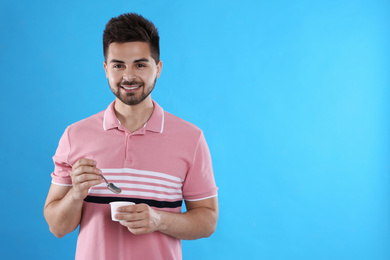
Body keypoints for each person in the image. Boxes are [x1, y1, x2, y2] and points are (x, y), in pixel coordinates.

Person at [43, 13, 218, 260]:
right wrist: (76, 194)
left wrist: (159, 220)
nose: (128, 76)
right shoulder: (75, 136)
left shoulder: (191, 138)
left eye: (140, 64)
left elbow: (208, 220)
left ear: (158, 68)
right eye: (118, 65)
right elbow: (57, 227)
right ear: (105, 69)